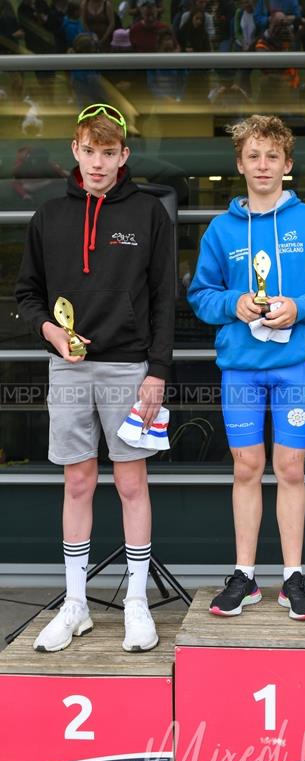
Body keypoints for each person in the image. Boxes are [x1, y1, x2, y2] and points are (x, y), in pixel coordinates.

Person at [15, 104, 175, 653]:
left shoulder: (150, 214)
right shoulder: (48, 217)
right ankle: (76, 603)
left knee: (132, 484)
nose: (99, 162)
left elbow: (163, 300)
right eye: (90, 151)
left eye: (110, 153)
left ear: (124, 155)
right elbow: (27, 293)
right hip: (69, 366)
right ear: (75, 151)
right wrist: (49, 332)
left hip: (130, 368)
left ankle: (135, 602)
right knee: (77, 481)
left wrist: (157, 372)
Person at [188, 115, 305, 621]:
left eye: (272, 157)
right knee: (246, 467)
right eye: (253, 157)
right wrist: (233, 303)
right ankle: (244, 576)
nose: (263, 165)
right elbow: (200, 294)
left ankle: (292, 577)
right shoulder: (221, 228)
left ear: (287, 163)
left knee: (291, 468)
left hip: (293, 368)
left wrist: (300, 308)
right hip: (241, 369)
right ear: (240, 165)